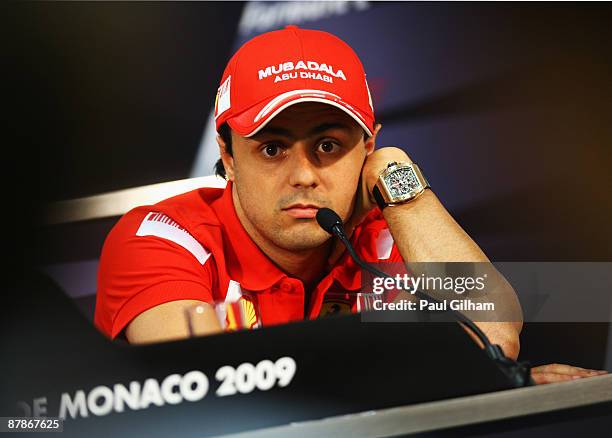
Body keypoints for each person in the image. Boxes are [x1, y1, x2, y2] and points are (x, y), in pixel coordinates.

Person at [94, 25, 605, 384]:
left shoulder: (387, 232)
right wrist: (456, 379)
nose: (303, 175)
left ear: (368, 146)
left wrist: (399, 184)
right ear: (227, 154)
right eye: (272, 148)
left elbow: (495, 337)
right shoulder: (161, 236)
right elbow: (199, 381)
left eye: (329, 145)